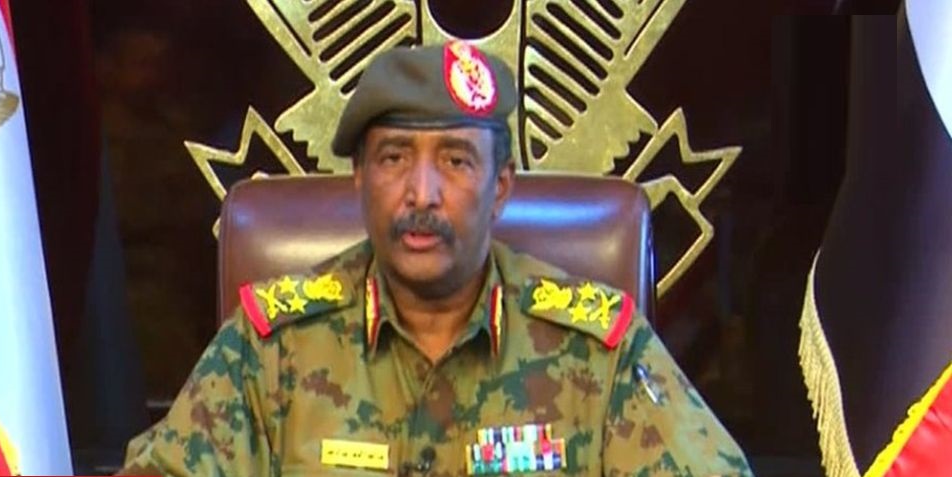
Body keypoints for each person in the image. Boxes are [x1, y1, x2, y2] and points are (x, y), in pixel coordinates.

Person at [119, 41, 751, 476]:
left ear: (500, 186)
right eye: (394, 157)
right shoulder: (273, 349)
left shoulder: (596, 351)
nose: (421, 193)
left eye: (455, 161)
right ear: (359, 179)